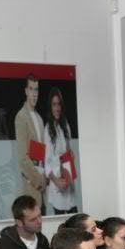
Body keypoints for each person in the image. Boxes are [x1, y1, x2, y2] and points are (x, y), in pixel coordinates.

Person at [42, 87, 78, 215]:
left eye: (59, 104)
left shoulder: (65, 125)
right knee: (61, 222)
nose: (57, 108)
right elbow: (46, 163)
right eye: (54, 104)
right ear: (50, 107)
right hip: (57, 183)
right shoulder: (47, 130)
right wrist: (56, 181)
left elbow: (68, 150)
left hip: (68, 180)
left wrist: (71, 154)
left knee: (74, 217)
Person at [15, 74, 47, 210]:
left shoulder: (39, 118)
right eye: (31, 89)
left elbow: (40, 154)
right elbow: (23, 158)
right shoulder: (21, 117)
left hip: (43, 187)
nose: (34, 94)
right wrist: (39, 181)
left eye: (36, 89)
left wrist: (45, 177)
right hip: (31, 186)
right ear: (26, 91)